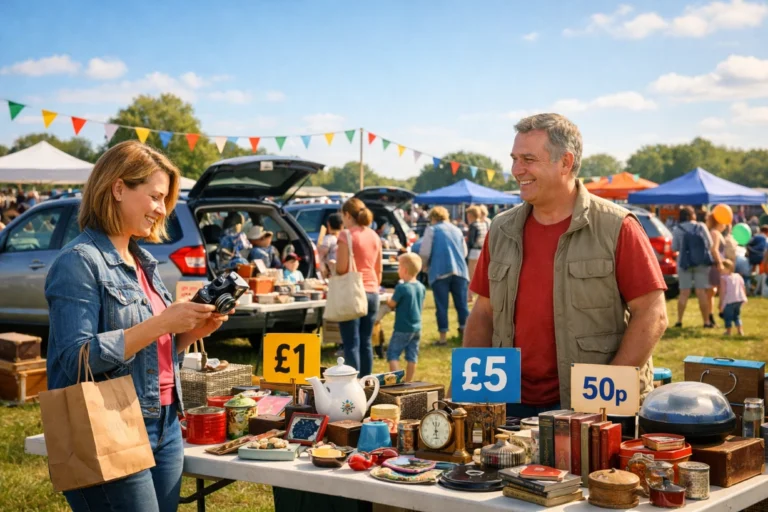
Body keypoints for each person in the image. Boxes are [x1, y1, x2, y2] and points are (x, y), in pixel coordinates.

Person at [45, 141, 231, 512]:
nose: (162, 210)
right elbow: (75, 357)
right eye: (155, 197)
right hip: (108, 423)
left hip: (165, 422)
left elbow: (146, 350)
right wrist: (162, 321)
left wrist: (190, 332)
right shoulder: (80, 262)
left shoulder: (142, 260)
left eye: (165, 200)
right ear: (117, 188)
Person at [461, 113, 667, 416]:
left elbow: (652, 314)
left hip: (590, 407)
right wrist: (468, 398)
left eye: (528, 159)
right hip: (508, 402)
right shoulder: (501, 229)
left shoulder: (616, 226)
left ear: (566, 162)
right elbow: (482, 314)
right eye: (514, 158)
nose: (517, 170)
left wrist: (603, 399)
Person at [336, 197, 382, 376]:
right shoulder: (374, 235)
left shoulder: (346, 235)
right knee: (366, 342)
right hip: (372, 291)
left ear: (347, 215)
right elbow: (378, 269)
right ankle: (367, 385)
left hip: (353, 292)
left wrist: (331, 267)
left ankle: (353, 387)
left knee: (351, 343)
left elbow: (341, 268)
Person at [419, 206, 470, 346]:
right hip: (459, 271)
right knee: (462, 305)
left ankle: (443, 338)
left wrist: (423, 265)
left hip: (439, 271)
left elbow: (425, 252)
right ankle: (465, 336)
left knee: (442, 306)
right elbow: (464, 252)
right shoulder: (457, 229)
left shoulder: (432, 230)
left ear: (433, 217)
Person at [386, 253, 426, 382]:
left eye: (398, 267)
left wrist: (387, 299)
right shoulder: (421, 287)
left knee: (393, 353)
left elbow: (392, 304)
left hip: (402, 328)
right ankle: (408, 382)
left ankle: (397, 381)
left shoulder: (401, 287)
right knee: (412, 356)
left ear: (404, 270)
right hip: (417, 327)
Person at [672, 205, 715, 327]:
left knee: (684, 292)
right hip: (701, 262)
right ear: (692, 215)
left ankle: (679, 321)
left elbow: (674, 247)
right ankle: (706, 322)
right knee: (701, 292)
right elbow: (710, 244)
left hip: (684, 263)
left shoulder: (677, 229)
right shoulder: (701, 226)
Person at [705, 213, 726, 327]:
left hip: (715, 265)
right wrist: (720, 263)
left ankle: (711, 315)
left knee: (713, 291)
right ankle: (713, 314)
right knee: (712, 291)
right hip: (715, 265)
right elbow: (714, 249)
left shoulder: (715, 232)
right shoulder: (715, 233)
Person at [465, 205, 488, 304]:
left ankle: (470, 296)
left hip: (474, 252)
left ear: (470, 215)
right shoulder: (483, 224)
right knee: (479, 275)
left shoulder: (473, 225)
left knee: (471, 275)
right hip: (481, 251)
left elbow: (471, 241)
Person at [719, 259, 747, 336]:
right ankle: (740, 331)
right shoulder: (738, 276)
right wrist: (744, 297)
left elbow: (723, 292)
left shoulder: (724, 278)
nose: (720, 269)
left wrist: (721, 303)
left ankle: (728, 332)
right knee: (737, 316)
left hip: (729, 301)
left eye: (722, 268)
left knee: (728, 317)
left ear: (728, 268)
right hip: (738, 300)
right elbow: (743, 287)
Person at [318, 213, 342, 277]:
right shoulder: (345, 237)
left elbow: (320, 256)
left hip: (332, 272)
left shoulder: (328, 239)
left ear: (328, 224)